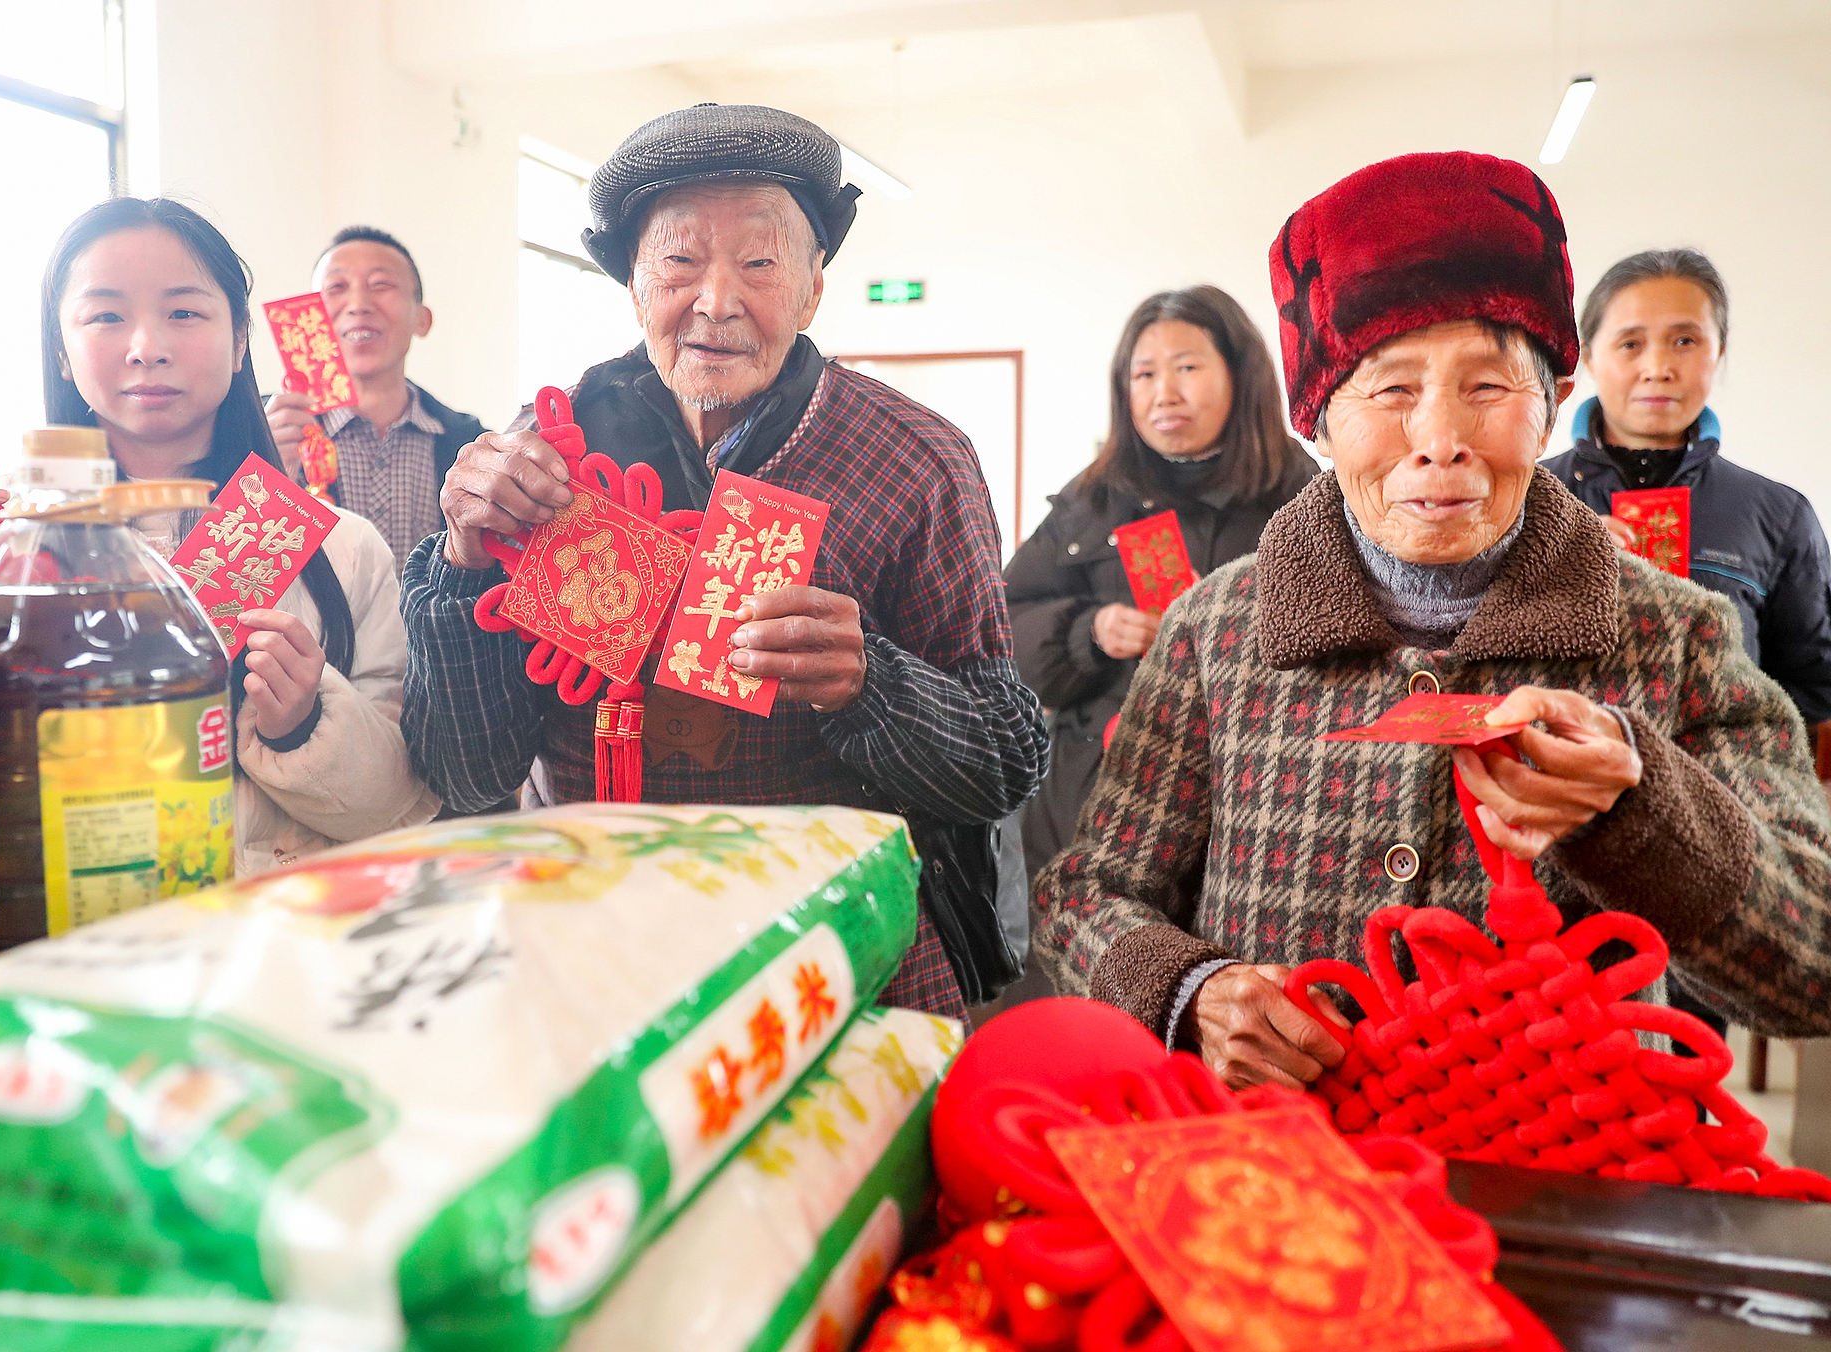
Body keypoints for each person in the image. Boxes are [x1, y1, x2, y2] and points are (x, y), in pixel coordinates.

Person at [1033, 152, 1831, 1091]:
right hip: (1281, 1183)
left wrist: (1641, 807)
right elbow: (1083, 894)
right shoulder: (1217, 631)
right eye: (1391, 388)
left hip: (1575, 1181)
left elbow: (1812, 969)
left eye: (1489, 387)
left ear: (1552, 409)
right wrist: (1191, 990)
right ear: (1317, 421)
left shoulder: (1679, 638)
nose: (1440, 437)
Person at [400, 104, 1048, 1023]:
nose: (715, 301)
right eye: (678, 262)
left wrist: (870, 684)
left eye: (758, 263)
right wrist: (464, 561)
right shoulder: (548, 456)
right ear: (633, 282)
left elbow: (1005, 762)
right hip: (597, 962)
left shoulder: (914, 458)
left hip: (844, 959)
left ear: (814, 286)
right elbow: (464, 773)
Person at [0, 197, 438, 874]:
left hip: (279, 950)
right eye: (106, 315)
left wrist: (304, 723)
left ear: (241, 338)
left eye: (184, 312)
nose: (147, 348)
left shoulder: (342, 549)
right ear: (62, 350)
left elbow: (405, 802)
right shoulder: (2, 552)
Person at [1005, 286, 1317, 879]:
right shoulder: (1092, 499)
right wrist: (1086, 631)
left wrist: (1240, 620)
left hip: (1256, 793)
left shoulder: (1301, 495)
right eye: (1143, 374)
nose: (1163, 394)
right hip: (1095, 792)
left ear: (1240, 372)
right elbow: (1001, 625)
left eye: (1187, 368)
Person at [1545, 250, 1831, 724]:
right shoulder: (1523, 501)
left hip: (1722, 785)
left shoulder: (1780, 515)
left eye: (1684, 340)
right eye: (1631, 344)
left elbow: (1816, 683)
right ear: (1588, 355)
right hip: (1558, 779)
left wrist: (1718, 719)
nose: (1658, 367)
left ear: (1718, 351)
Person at [265, 226, 487, 577]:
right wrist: (266, 477)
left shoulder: (470, 444)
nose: (358, 305)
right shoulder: (263, 430)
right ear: (309, 316)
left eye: (381, 285)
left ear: (422, 319)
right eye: (336, 288)